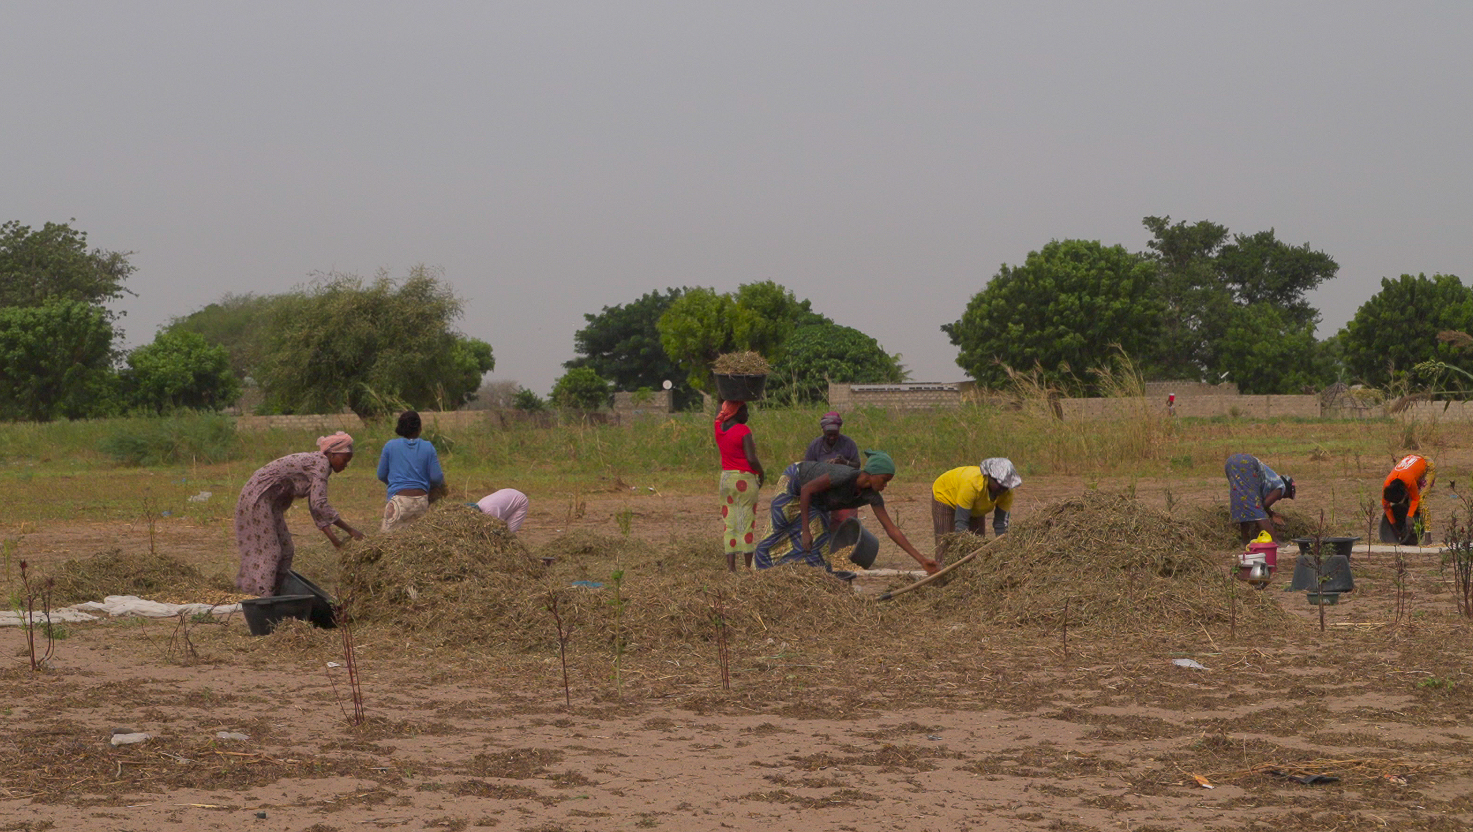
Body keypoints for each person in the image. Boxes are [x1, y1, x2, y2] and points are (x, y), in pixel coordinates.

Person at [754, 450, 939, 576]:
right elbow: (806, 490)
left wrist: (921, 560)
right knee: (779, 528)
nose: (885, 485)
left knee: (818, 544)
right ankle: (757, 573)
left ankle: (810, 581)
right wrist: (805, 530)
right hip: (795, 483)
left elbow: (892, 530)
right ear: (872, 473)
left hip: (818, 503)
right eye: (884, 480)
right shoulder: (843, 475)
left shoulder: (872, 496)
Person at [235, 431, 364, 596]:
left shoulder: (320, 465)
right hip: (259, 497)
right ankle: (264, 598)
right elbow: (320, 505)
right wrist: (350, 530)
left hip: (271, 502)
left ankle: (277, 593)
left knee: (287, 550)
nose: (345, 465)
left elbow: (314, 506)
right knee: (271, 551)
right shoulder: (322, 463)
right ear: (332, 454)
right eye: (345, 460)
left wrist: (335, 541)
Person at [931, 458, 1022, 563]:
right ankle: (941, 574)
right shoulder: (972, 485)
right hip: (946, 496)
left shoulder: (1007, 492)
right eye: (1000, 484)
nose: (1003, 488)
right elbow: (961, 523)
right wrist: (960, 551)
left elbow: (1001, 524)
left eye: (1006, 485)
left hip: (975, 504)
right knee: (946, 544)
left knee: (978, 544)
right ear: (989, 477)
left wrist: (1005, 549)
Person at [715, 400, 765, 572]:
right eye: (746, 411)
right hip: (744, 479)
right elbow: (751, 459)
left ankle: (731, 568)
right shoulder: (743, 430)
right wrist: (761, 473)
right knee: (746, 523)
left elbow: (719, 413)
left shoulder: (718, 429)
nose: (748, 415)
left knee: (730, 524)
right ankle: (748, 567)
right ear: (737, 412)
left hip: (726, 479)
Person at [376, 410, 445, 533]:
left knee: (388, 542)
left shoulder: (390, 446)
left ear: (400, 428)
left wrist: (395, 484)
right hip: (421, 502)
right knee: (416, 538)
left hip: (398, 502)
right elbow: (437, 478)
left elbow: (381, 474)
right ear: (419, 428)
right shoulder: (428, 447)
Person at [1224, 453, 1296, 543]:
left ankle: (1245, 542)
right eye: (1285, 496)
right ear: (1287, 490)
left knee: (1244, 505)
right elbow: (1262, 506)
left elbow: (1257, 503)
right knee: (1256, 509)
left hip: (1231, 461)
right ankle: (1275, 541)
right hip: (1246, 464)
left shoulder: (1269, 481)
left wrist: (1272, 513)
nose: (1280, 498)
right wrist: (1271, 514)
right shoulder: (1281, 487)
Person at [1382, 454, 1435, 545]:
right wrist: (1395, 527)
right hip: (1412, 467)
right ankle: (1413, 522)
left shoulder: (1409, 481)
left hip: (1427, 466)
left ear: (1405, 490)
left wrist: (1409, 516)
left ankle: (1428, 537)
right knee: (1407, 502)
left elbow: (1415, 499)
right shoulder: (1387, 486)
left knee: (1421, 501)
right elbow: (1386, 506)